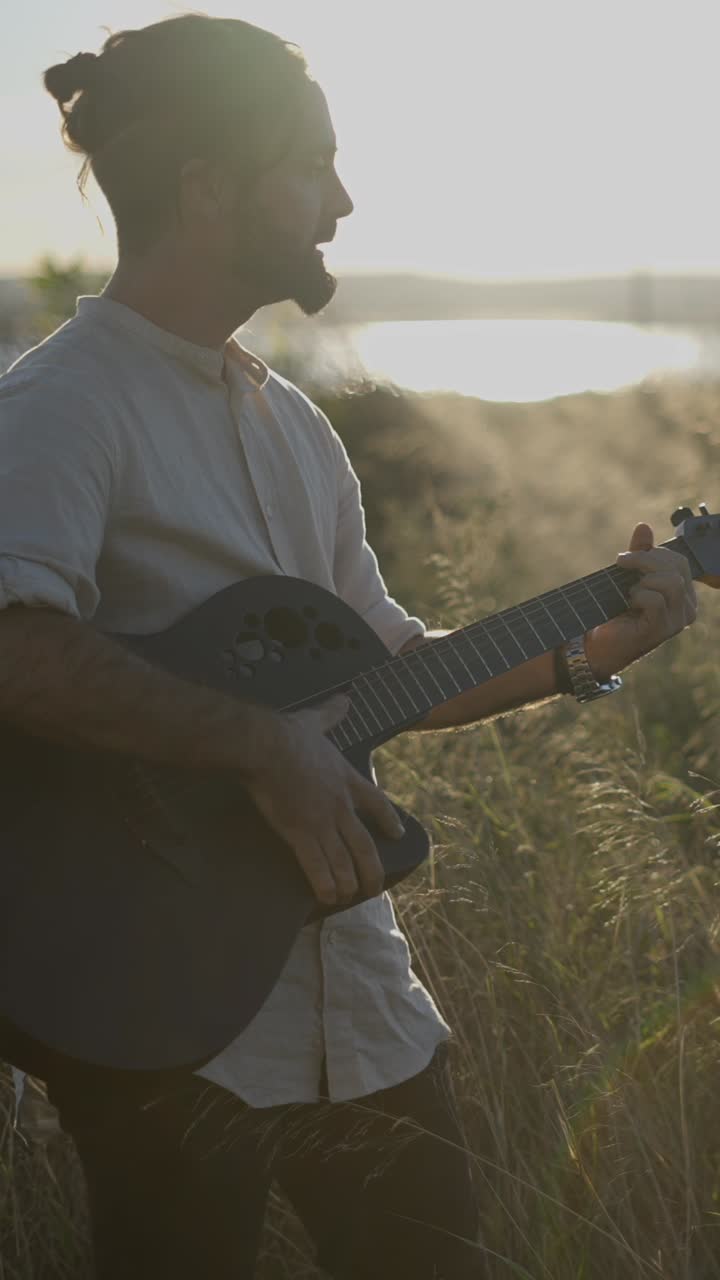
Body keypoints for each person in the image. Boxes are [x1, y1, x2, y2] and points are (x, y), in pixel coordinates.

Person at [0, 15, 697, 1279]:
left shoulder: (296, 428)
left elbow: (386, 673)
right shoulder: (61, 407)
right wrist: (261, 747)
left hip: (365, 1005)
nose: (343, 198)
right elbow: (14, 649)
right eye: (311, 165)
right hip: (164, 1021)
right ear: (207, 188)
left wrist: (599, 644)